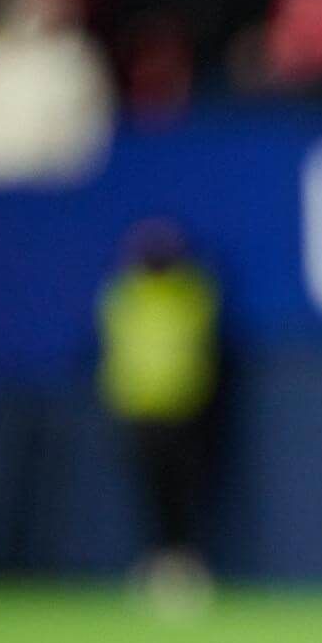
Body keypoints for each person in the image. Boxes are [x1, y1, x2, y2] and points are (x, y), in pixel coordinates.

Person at [97, 218, 220, 605]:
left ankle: (183, 569)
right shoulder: (123, 296)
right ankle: (155, 567)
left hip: (183, 412)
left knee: (183, 495)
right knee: (150, 495)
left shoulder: (190, 295)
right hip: (139, 411)